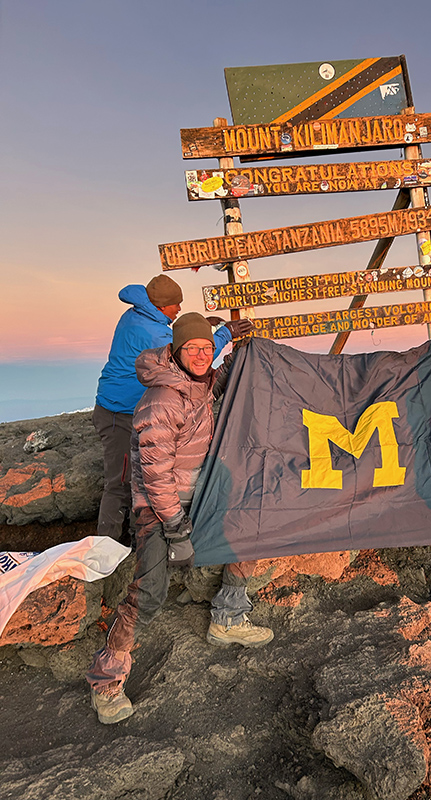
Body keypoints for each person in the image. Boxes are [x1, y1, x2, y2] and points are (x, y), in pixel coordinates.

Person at [86, 312, 273, 724]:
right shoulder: (162, 401)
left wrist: (246, 354)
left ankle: (228, 618)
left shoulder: (196, 382)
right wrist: (175, 527)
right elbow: (154, 474)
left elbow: (216, 383)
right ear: (176, 350)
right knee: (149, 591)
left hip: (195, 493)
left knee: (249, 529)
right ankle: (106, 681)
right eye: (193, 348)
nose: (202, 355)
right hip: (158, 506)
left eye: (208, 348)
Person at [93, 275, 244, 541]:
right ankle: (108, 547)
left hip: (128, 408)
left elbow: (180, 340)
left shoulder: (136, 314)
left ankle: (130, 539)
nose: (179, 309)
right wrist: (224, 334)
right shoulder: (153, 332)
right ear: (161, 307)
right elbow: (188, 353)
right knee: (121, 483)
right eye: (176, 305)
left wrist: (193, 327)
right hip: (121, 413)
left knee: (140, 478)